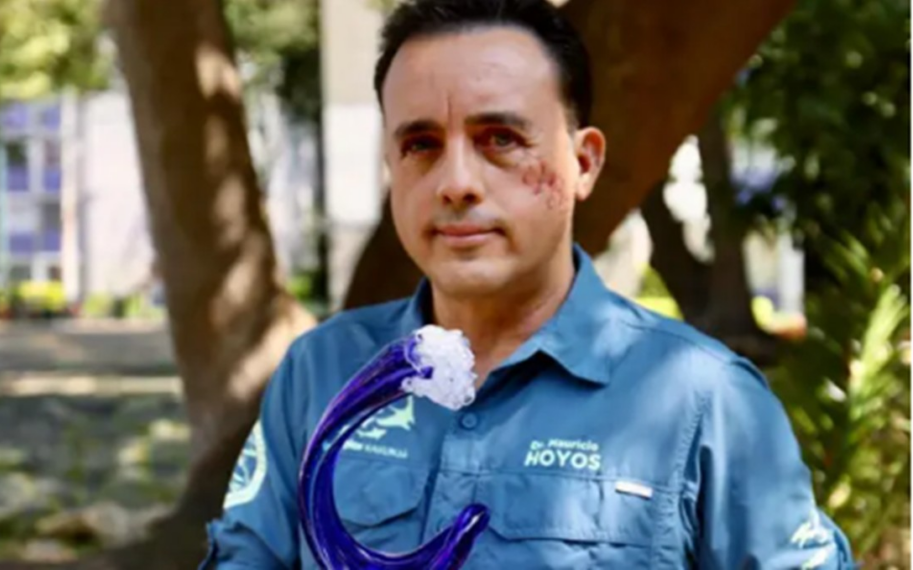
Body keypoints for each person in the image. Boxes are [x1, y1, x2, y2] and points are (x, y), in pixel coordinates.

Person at [200, 0, 855, 568]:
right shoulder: (322, 373)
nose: (457, 182)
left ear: (584, 162)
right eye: (421, 144)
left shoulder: (707, 402)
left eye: (501, 139)